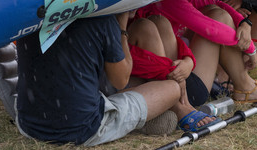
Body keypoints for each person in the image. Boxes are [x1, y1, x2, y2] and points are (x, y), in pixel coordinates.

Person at [15, 12, 199, 146]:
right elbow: (121, 80)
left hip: (28, 124)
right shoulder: (103, 17)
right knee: (172, 88)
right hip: (82, 129)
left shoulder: (34, 11)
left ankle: (142, 117)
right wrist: (122, 29)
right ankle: (137, 120)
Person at [136, 0, 257, 104]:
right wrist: (250, 48)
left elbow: (216, 4)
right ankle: (244, 84)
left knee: (217, 12)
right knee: (219, 17)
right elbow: (211, 29)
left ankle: (244, 83)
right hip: (182, 88)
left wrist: (244, 22)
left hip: (183, 75)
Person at [125, 14, 221, 131]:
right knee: (143, 26)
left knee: (160, 21)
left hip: (178, 83)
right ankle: (177, 105)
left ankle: (182, 103)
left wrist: (188, 60)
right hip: (135, 80)